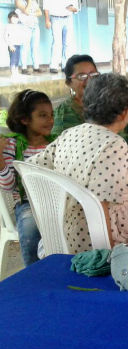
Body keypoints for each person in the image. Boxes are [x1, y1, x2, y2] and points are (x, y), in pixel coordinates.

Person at [29, 74, 128, 254]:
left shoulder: (68, 135)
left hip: (62, 240)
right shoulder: (114, 145)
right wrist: (110, 259)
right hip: (105, 246)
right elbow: (100, 207)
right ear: (126, 112)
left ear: (86, 106)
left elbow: (32, 166)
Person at [0, 90, 53, 266]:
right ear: (25, 119)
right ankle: (33, 272)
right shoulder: (13, 145)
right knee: (30, 225)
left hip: (56, 200)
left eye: (51, 115)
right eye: (43, 115)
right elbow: (8, 186)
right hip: (27, 203)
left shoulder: (56, 143)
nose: (50, 120)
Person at [52, 55, 99, 136]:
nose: (89, 80)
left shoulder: (110, 104)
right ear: (69, 83)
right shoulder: (62, 115)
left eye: (93, 74)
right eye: (82, 76)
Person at [43, 0, 77, 74]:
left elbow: (76, 7)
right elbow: (46, 7)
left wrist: (74, 9)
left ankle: (65, 66)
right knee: (57, 42)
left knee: (67, 43)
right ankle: (54, 66)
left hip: (68, 18)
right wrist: (47, 20)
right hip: (55, 18)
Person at [15, 0, 42, 74]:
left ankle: (36, 67)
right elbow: (26, 11)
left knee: (35, 47)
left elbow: (40, 13)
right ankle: (24, 68)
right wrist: (29, 2)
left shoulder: (34, 2)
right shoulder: (18, 1)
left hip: (35, 26)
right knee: (25, 47)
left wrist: (30, 13)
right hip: (25, 26)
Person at [3, 11, 24, 77]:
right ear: (9, 19)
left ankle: (16, 71)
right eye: (13, 18)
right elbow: (5, 36)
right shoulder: (8, 26)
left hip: (18, 45)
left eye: (16, 18)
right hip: (12, 45)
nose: (15, 19)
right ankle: (13, 72)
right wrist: (10, 45)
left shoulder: (18, 26)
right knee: (13, 58)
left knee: (17, 58)